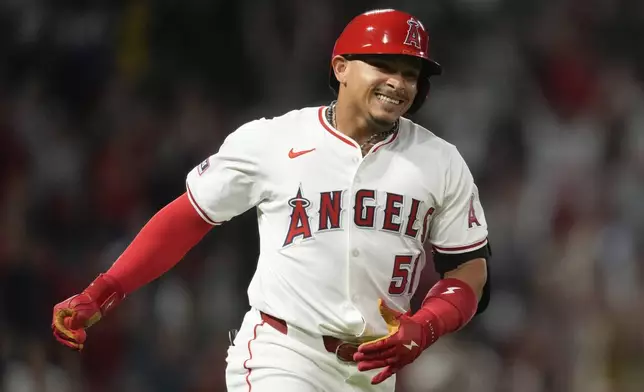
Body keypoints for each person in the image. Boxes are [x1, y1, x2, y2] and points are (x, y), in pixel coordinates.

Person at [52, 8, 491, 392]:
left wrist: (427, 325)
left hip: (371, 373)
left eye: (410, 74)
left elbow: (469, 272)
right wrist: (105, 289)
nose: (398, 83)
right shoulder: (274, 140)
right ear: (340, 67)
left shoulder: (440, 161)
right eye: (383, 65)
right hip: (284, 353)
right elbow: (190, 216)